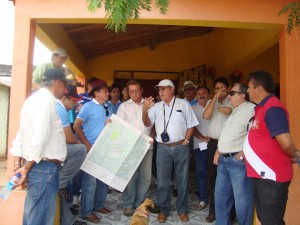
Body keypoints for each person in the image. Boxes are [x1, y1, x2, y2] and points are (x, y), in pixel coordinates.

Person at [10, 68, 67, 225]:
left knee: (32, 216)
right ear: (57, 82)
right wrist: (26, 168)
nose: (65, 89)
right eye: (65, 84)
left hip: (36, 167)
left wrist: (18, 165)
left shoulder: (31, 100)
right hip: (44, 168)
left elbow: (20, 137)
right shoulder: (47, 102)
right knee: (41, 218)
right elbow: (40, 139)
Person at [244, 70, 300, 225]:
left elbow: (286, 142)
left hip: (271, 176)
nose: (247, 90)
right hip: (263, 176)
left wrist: (294, 154)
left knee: (271, 221)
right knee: (266, 218)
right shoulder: (262, 107)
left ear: (259, 88)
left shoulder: (273, 107)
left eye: (249, 87)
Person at [142, 79, 198, 223]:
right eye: (158, 89)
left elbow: (191, 124)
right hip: (163, 148)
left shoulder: (183, 104)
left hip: (181, 147)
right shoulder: (156, 106)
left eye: (163, 89)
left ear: (172, 89)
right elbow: (147, 123)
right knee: (162, 182)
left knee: (182, 180)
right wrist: (144, 109)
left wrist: (186, 141)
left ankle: (182, 210)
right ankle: (163, 210)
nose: (160, 92)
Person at [213, 83, 255, 225]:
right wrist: (218, 150)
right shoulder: (235, 110)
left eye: (232, 93)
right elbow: (227, 134)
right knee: (221, 199)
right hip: (223, 161)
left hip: (237, 162)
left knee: (242, 202)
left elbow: (255, 135)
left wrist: (243, 153)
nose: (229, 96)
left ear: (242, 95)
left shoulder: (251, 109)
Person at [74, 79, 113, 224]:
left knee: (103, 180)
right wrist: (87, 144)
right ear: (96, 93)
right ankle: (86, 212)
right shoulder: (87, 107)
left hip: (104, 149)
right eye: (105, 91)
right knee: (90, 183)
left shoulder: (107, 107)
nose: (108, 93)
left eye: (107, 90)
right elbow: (77, 127)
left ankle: (99, 205)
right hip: (90, 149)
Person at [116, 80, 153, 216]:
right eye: (131, 91)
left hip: (147, 147)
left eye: (137, 90)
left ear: (142, 90)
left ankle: (139, 203)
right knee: (130, 177)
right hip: (130, 147)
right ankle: (128, 204)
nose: (134, 93)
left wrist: (152, 136)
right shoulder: (124, 107)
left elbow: (153, 125)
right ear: (128, 92)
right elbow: (119, 126)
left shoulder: (150, 105)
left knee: (145, 177)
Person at [56, 84, 88, 225]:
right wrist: (83, 145)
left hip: (54, 153)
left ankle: (68, 221)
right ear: (64, 98)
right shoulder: (61, 109)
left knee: (61, 188)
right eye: (73, 101)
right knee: (81, 149)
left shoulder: (57, 107)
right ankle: (61, 183)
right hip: (49, 154)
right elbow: (70, 138)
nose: (76, 104)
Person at [203, 77, 232, 223]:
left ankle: (229, 213)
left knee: (228, 181)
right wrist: (214, 98)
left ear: (228, 88)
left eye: (222, 88)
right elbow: (206, 115)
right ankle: (213, 211)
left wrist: (219, 105)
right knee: (212, 179)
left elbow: (228, 111)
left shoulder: (233, 101)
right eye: (216, 88)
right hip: (213, 144)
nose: (220, 90)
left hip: (229, 146)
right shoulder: (210, 102)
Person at [191, 86, 211, 211]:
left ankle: (214, 198)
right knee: (201, 173)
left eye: (204, 93)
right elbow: (191, 127)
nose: (201, 95)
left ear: (209, 95)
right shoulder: (192, 108)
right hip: (199, 146)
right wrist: (203, 138)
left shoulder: (214, 107)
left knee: (215, 174)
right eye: (199, 94)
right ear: (196, 96)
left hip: (215, 146)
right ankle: (203, 198)